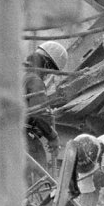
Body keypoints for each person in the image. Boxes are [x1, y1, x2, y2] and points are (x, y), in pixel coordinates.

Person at [24, 41, 68, 173]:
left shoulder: (22, 74)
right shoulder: (34, 80)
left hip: (11, 133)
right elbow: (38, 113)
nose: (47, 75)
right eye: (50, 71)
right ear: (47, 64)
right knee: (40, 170)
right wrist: (53, 137)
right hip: (22, 136)